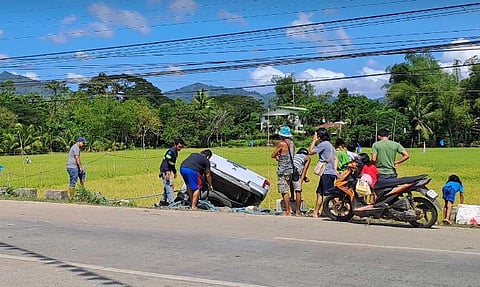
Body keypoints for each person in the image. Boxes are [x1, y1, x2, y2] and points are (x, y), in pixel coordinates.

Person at [309, 128, 337, 218]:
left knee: (331, 195)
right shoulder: (330, 145)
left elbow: (310, 151)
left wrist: (314, 141)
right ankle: (315, 212)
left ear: (319, 136)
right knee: (319, 193)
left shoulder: (324, 144)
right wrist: (335, 169)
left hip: (327, 173)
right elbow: (336, 158)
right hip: (330, 172)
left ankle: (342, 210)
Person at [271, 126, 295, 216]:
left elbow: (273, 155)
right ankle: (290, 208)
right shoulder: (292, 143)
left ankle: (288, 211)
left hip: (283, 170)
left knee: (284, 191)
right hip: (291, 169)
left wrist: (278, 157)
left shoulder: (282, 144)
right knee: (289, 187)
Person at [157, 138, 185, 207]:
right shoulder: (170, 151)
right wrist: (166, 172)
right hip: (165, 170)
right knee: (169, 186)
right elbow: (166, 161)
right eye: (179, 147)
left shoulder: (175, 152)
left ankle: (163, 201)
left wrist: (175, 172)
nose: (180, 149)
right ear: (175, 145)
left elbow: (172, 164)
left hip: (168, 170)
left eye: (181, 147)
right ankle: (171, 202)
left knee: (167, 186)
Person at [290, 147, 311, 216]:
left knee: (291, 183)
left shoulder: (295, 155)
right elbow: (304, 171)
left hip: (288, 169)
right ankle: (298, 211)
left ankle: (292, 197)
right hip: (295, 171)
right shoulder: (307, 158)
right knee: (298, 191)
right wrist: (301, 182)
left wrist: (304, 178)